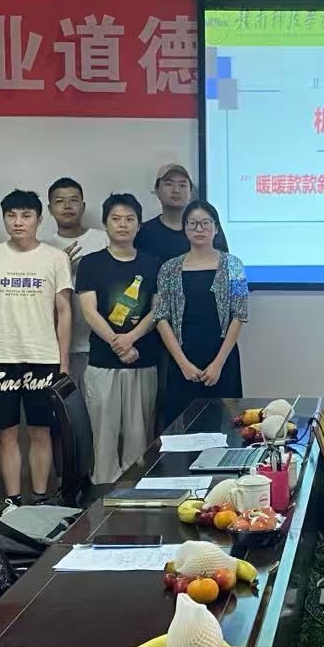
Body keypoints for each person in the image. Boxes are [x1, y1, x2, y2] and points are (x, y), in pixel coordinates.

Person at [0, 190, 74, 508]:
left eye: (26, 216)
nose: (18, 222)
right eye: (12, 216)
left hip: (43, 357)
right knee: (5, 434)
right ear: (4, 219)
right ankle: (13, 502)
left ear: (39, 220)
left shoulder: (55, 258)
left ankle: (41, 499)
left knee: (41, 431)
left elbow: (64, 312)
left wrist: (63, 362)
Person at [76, 194, 162, 481]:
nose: (123, 224)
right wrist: (118, 342)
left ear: (139, 225)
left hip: (143, 359)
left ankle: (138, 490)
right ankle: (102, 489)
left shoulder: (153, 263)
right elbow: (89, 311)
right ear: (105, 223)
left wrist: (131, 339)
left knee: (140, 435)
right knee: (103, 433)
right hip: (103, 361)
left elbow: (157, 310)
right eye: (116, 219)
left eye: (129, 219)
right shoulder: (91, 263)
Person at [154, 200, 249, 426]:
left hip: (222, 360)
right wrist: (183, 364)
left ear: (216, 228)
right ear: (184, 228)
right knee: (183, 430)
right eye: (193, 223)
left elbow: (240, 315)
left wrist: (218, 364)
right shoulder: (168, 268)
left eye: (205, 223)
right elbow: (160, 317)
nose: (199, 229)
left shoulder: (234, 266)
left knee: (227, 427)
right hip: (182, 360)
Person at [46, 176, 109, 391]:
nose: (67, 206)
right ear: (49, 209)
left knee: (98, 408)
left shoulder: (104, 239)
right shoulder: (44, 247)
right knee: (64, 409)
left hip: (100, 343)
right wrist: (59, 266)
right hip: (56, 347)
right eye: (59, 201)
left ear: (83, 206)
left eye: (73, 200)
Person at [136, 163, 196, 265]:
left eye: (182, 185)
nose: (176, 190)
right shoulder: (143, 232)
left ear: (191, 191)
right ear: (157, 190)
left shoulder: (204, 229)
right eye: (169, 184)